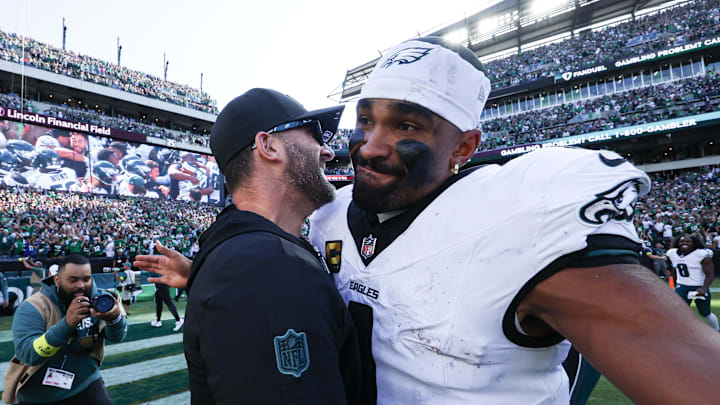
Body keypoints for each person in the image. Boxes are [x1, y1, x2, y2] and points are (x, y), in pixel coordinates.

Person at [136, 38, 720, 404]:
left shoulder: (519, 214)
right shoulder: (330, 214)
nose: (368, 146)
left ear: (465, 144)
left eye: (407, 127)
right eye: (366, 122)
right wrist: (214, 276)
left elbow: (677, 361)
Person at [136, 88, 361, 405]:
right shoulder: (270, 268)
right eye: (315, 134)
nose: (327, 151)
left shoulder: (253, 258)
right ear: (268, 146)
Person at [3, 254, 128, 405]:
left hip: (87, 383)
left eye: (86, 279)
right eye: (73, 280)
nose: (81, 285)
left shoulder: (102, 299)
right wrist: (67, 324)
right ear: (57, 280)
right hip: (39, 396)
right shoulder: (33, 307)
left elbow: (116, 337)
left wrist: (115, 319)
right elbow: (28, 355)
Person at [665, 234, 718, 331]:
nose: (684, 243)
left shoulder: (701, 254)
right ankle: (684, 333)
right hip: (682, 286)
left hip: (699, 286)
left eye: (688, 241)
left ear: (694, 243)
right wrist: (676, 283)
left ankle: (717, 330)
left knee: (705, 313)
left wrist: (704, 288)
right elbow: (673, 269)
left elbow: (710, 274)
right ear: (678, 242)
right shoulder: (672, 253)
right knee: (679, 313)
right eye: (682, 241)